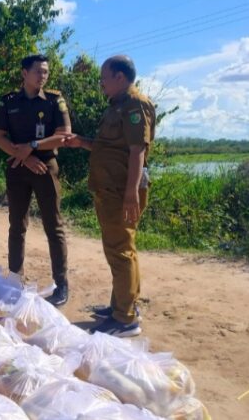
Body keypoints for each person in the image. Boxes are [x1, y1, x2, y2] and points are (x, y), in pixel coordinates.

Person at [64, 55, 155, 337]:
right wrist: (81, 143)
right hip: (110, 189)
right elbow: (109, 148)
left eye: (104, 76)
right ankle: (122, 305)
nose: (100, 81)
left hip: (121, 191)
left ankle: (126, 319)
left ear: (120, 77)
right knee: (118, 249)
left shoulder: (134, 104)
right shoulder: (116, 106)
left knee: (121, 251)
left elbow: (137, 151)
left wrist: (130, 195)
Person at [0, 54, 72, 307]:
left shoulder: (53, 101)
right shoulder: (8, 102)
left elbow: (64, 135)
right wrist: (24, 156)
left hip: (46, 167)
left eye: (46, 72)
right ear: (24, 74)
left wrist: (33, 146)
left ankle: (61, 284)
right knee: (17, 224)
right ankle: (15, 280)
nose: (43, 76)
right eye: (38, 71)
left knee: (54, 225)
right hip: (18, 167)